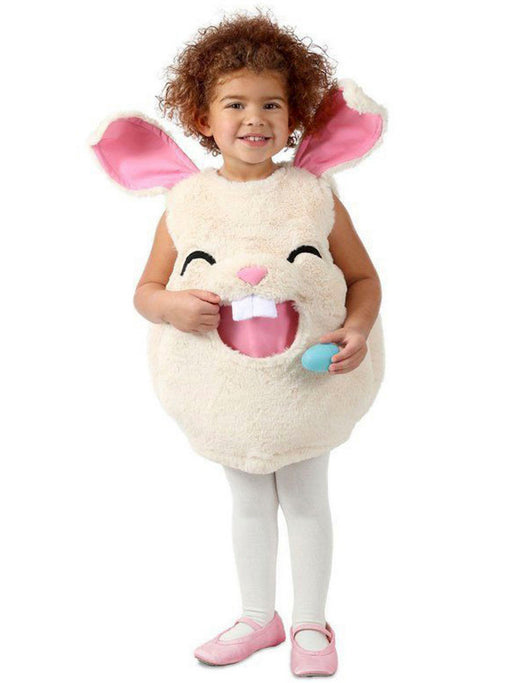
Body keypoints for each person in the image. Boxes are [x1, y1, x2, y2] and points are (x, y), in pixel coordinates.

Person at [91, 10, 386, 676]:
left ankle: (309, 621)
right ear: (202, 117)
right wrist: (170, 306)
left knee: (306, 498)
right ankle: (259, 616)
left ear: (296, 115)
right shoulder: (187, 201)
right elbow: (146, 291)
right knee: (249, 501)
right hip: (228, 388)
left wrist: (357, 328)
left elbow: (363, 279)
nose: (255, 118)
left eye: (271, 104)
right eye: (235, 104)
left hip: (305, 379)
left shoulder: (312, 194)